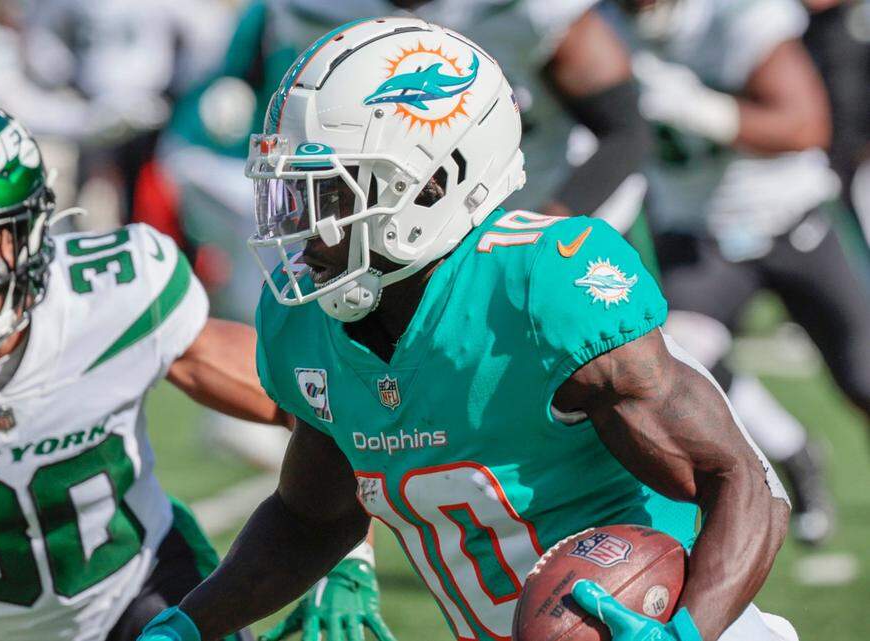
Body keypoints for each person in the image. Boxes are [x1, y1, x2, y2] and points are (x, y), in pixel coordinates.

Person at [138, 17, 794, 641]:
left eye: (330, 196)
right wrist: (190, 623)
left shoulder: (538, 287)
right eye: (292, 195)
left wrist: (683, 632)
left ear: (433, 185)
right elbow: (316, 512)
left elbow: (743, 482)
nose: (301, 230)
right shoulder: (311, 321)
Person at [0, 94, 390, 641]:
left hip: (143, 590)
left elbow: (317, 405)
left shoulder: (115, 294)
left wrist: (347, 558)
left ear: (33, 233)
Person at [611, 0, 870, 544]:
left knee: (863, 375)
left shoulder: (735, 15)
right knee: (678, 362)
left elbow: (806, 125)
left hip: (791, 221)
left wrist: (706, 110)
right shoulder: (596, 26)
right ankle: (790, 450)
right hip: (697, 232)